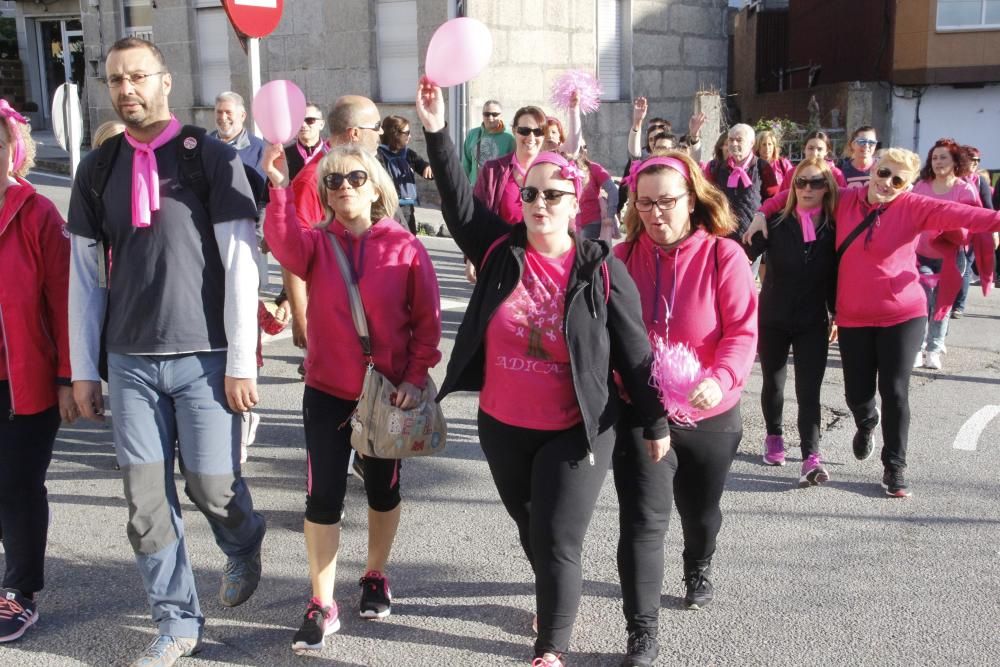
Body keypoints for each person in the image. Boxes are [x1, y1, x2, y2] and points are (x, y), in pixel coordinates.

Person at [417, 77, 669, 667]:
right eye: (531, 195)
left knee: (558, 538)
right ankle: (554, 592)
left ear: (575, 199)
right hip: (503, 424)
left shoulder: (599, 268)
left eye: (553, 195)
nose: (539, 205)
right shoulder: (501, 252)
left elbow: (634, 352)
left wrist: (655, 422)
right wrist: (435, 130)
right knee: (532, 526)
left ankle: (550, 646)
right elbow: (457, 202)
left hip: (576, 426)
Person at [67, 37, 266, 666]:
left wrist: (241, 360)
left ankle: (243, 542)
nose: (127, 89)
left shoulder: (208, 158)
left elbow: (242, 264)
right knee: (146, 503)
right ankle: (177, 621)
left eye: (138, 77)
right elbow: (84, 276)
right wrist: (82, 369)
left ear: (166, 81)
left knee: (213, 488)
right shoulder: (98, 168)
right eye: (116, 79)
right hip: (129, 362)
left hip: (205, 356)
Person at [262, 140, 442, 653]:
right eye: (333, 181)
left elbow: (427, 325)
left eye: (355, 179)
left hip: (387, 396)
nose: (344, 189)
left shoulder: (405, 246)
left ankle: (375, 575)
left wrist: (412, 379)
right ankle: (322, 603)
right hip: (327, 391)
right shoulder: (316, 244)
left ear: (375, 185)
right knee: (323, 496)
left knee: (383, 490)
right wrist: (278, 187)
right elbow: (282, 242)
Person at [746, 148, 1000, 497]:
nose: (887, 184)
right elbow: (800, 195)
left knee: (895, 390)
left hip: (902, 313)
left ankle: (894, 467)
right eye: (883, 174)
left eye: (898, 180)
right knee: (858, 394)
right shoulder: (846, 200)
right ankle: (866, 420)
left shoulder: (913, 207)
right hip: (854, 316)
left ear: (908, 185)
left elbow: (966, 214)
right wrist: (762, 210)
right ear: (873, 172)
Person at [612, 153, 757, 666]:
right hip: (643, 412)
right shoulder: (623, 258)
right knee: (642, 522)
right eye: (644, 202)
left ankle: (698, 562)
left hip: (711, 413)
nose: (656, 213)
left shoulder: (724, 256)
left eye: (667, 202)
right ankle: (642, 632)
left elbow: (741, 331)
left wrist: (721, 380)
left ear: (691, 199)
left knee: (700, 514)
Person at [0, 100, 77, 644]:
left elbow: (66, 299)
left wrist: (71, 376)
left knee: (16, 484)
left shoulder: (36, 212)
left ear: (14, 148)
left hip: (23, 378)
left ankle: (18, 591)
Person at [746, 158, 838, 484]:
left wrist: (837, 312)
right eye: (801, 182)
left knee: (809, 390)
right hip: (773, 316)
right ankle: (773, 437)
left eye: (815, 182)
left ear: (827, 187)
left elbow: (838, 277)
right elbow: (739, 252)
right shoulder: (775, 222)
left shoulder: (834, 227)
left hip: (813, 319)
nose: (807, 189)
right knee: (774, 382)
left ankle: (811, 456)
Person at [911, 139, 981, 370]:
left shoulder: (965, 188)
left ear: (954, 162)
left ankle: (934, 348)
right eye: (935, 158)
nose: (939, 162)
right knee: (923, 300)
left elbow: (975, 220)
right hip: (922, 253)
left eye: (944, 157)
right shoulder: (922, 185)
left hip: (952, 255)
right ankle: (918, 348)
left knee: (942, 304)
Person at [703, 123, 778, 242]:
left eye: (739, 140)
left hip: (752, 237)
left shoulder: (762, 167)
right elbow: (708, 197)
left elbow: (773, 199)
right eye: (731, 140)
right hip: (723, 237)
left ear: (751, 143)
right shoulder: (718, 167)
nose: (733, 144)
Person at [951, 145, 994, 318]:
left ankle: (959, 306)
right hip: (951, 231)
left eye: (978, 160)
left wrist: (994, 233)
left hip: (973, 233)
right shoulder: (952, 179)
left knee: (966, 268)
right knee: (951, 268)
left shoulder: (979, 181)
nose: (975, 163)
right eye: (972, 159)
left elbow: (989, 208)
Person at [377, 114, 433, 234]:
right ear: (395, 134)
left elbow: (423, 167)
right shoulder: (379, 155)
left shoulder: (407, 153)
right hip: (389, 209)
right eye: (406, 133)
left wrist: (429, 167)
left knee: (410, 242)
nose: (410, 136)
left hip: (408, 208)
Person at [211, 91, 265, 179]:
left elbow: (261, 188)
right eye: (219, 112)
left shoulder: (260, 150)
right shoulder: (203, 145)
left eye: (228, 112)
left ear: (242, 116)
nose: (223, 117)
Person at [462, 99, 515, 184]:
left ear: (501, 116)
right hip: (474, 189)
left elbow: (514, 167)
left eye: (494, 114)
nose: (490, 118)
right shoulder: (473, 134)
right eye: (486, 114)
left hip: (498, 189)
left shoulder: (509, 138)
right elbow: (466, 163)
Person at [778, 130, 847, 189]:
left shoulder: (836, 174)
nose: (814, 153)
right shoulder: (792, 173)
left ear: (826, 152)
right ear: (804, 149)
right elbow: (781, 200)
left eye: (820, 149)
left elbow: (844, 200)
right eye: (810, 148)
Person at [284, 102, 328, 181]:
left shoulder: (332, 153)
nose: (303, 124)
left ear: (321, 124)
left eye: (310, 120)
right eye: (299, 120)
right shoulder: (284, 156)